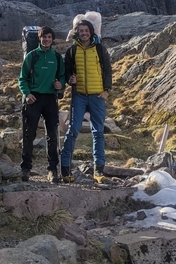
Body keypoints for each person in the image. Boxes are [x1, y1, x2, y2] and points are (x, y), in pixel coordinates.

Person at [60, 19, 112, 183]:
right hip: (79, 96)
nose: (84, 33)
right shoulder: (72, 51)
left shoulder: (100, 49)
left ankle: (99, 171)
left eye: (86, 30)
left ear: (91, 32)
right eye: (80, 30)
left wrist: (107, 91)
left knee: (98, 132)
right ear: (77, 32)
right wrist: (70, 80)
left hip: (98, 96)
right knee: (73, 131)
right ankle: (65, 170)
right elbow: (67, 73)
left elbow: (108, 70)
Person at [18, 26, 65, 183]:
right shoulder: (32, 56)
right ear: (39, 38)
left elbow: (62, 77)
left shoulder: (57, 58)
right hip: (33, 98)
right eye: (44, 37)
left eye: (49, 37)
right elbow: (22, 78)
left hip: (50, 99)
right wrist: (27, 94)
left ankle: (53, 170)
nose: (46, 40)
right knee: (28, 134)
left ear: (52, 40)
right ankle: (26, 168)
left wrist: (61, 85)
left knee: (52, 135)